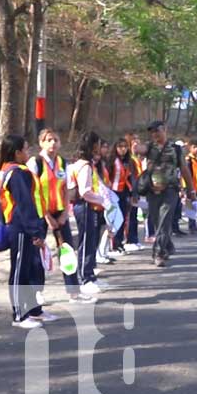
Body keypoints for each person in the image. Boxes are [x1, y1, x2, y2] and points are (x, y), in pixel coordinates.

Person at [27, 129, 95, 305]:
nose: (53, 143)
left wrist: (65, 212)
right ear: (41, 142)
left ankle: (73, 292)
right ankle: (36, 292)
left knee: (67, 252)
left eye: (56, 140)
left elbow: (66, 189)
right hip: (41, 212)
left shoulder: (63, 163)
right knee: (38, 251)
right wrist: (46, 215)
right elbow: (33, 192)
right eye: (48, 140)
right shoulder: (35, 163)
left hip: (60, 211)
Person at [0, 135, 51, 329]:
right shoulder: (17, 173)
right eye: (26, 149)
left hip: (25, 226)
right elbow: (25, 205)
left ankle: (34, 310)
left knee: (29, 269)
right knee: (20, 271)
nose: (29, 153)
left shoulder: (12, 170)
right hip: (21, 228)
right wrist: (36, 231)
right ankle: (19, 314)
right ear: (17, 152)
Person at [145, 121, 196, 267]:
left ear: (165, 130)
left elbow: (185, 170)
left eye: (157, 130)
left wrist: (191, 190)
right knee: (156, 221)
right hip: (152, 190)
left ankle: (158, 253)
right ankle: (167, 244)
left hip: (170, 190)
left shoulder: (175, 149)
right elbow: (138, 153)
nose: (155, 134)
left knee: (164, 220)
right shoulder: (149, 148)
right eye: (152, 131)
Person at [67, 132, 108, 293]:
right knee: (86, 241)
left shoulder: (84, 164)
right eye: (98, 143)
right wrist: (101, 199)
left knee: (91, 240)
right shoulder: (84, 166)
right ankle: (84, 278)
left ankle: (90, 275)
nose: (99, 147)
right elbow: (85, 191)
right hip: (84, 205)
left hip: (86, 206)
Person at [108, 138, 132, 255]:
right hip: (113, 192)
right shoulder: (112, 160)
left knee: (123, 218)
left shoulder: (128, 160)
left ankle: (119, 242)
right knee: (114, 218)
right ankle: (113, 243)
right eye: (120, 146)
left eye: (125, 147)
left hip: (125, 191)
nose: (123, 149)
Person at [124, 133, 144, 252]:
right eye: (134, 142)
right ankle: (130, 240)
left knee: (135, 216)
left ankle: (134, 239)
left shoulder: (137, 158)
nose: (136, 144)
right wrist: (133, 192)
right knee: (130, 216)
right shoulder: (130, 160)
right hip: (131, 191)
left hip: (137, 189)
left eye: (138, 142)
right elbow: (131, 178)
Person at [185, 138, 197, 233]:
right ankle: (191, 225)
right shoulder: (188, 160)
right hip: (191, 187)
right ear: (190, 148)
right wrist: (188, 188)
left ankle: (194, 223)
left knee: (196, 207)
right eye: (194, 147)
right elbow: (186, 175)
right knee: (191, 206)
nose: (196, 149)